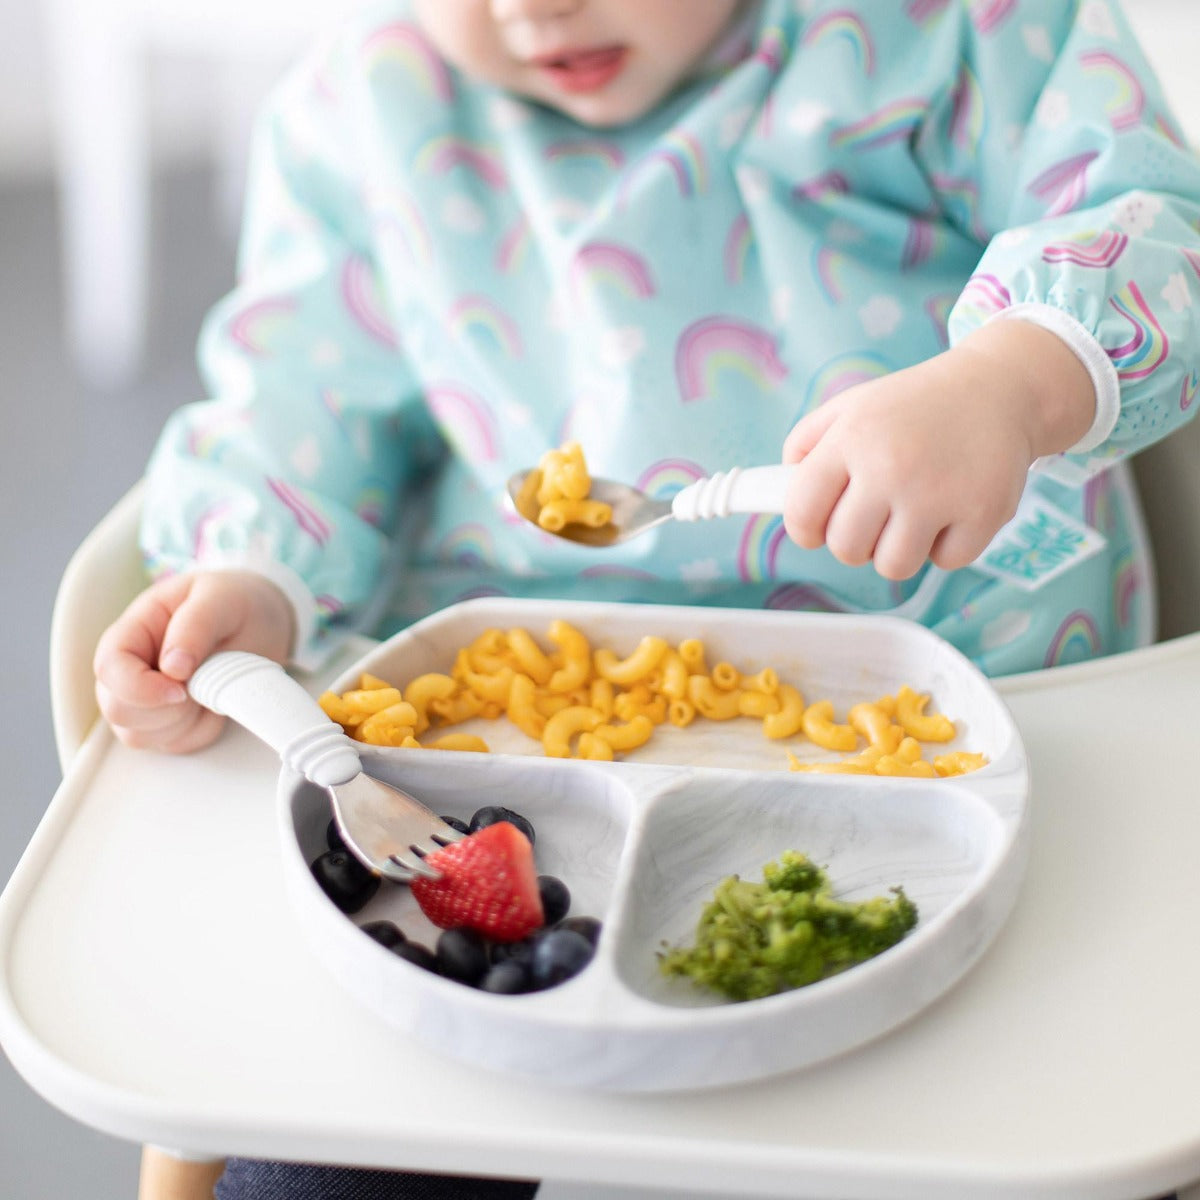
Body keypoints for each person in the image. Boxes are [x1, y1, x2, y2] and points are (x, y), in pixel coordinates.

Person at [92, 0, 1200, 1196]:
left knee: (1040, 1103)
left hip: (970, 672)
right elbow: (303, 404)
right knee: (333, 1126)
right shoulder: (368, 106)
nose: (535, 9)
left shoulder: (959, 28)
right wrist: (257, 580)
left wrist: (1009, 384)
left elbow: (1150, 227)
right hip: (507, 719)